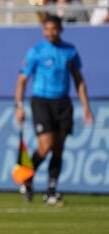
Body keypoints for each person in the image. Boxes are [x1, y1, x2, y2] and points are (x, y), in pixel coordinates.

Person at [15, 15, 93, 206]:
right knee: (46, 144)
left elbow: (78, 80)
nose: (50, 32)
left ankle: (51, 191)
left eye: (54, 29)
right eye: (46, 29)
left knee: (58, 148)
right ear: (43, 30)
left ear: (60, 30)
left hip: (63, 103)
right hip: (42, 101)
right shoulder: (36, 51)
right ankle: (26, 176)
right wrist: (19, 105)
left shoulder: (70, 51)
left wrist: (86, 107)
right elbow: (22, 80)